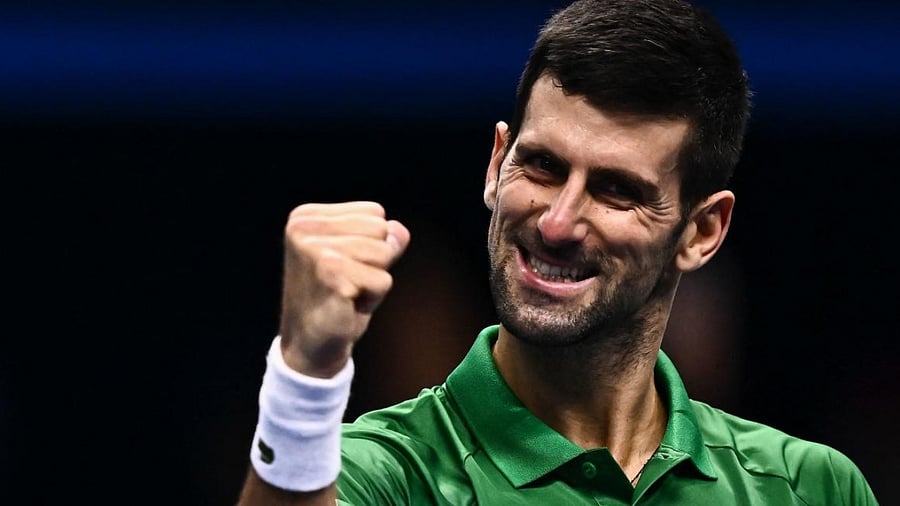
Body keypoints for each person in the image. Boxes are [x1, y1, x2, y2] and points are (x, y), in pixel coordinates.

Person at [236, 0, 879, 504]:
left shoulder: (808, 487)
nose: (559, 222)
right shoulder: (374, 473)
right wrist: (305, 376)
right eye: (541, 166)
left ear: (701, 231)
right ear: (497, 163)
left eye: (616, 190)